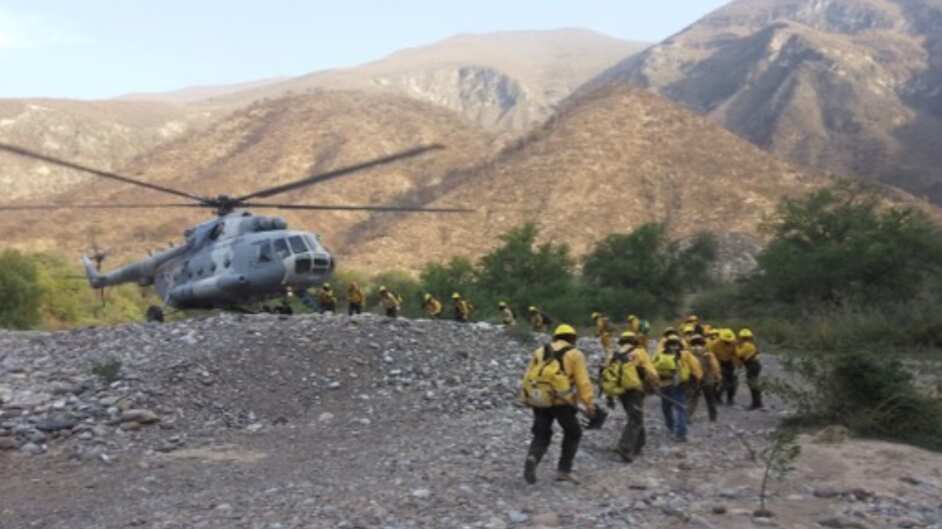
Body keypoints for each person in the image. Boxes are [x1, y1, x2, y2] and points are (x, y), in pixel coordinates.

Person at [520, 324, 596, 483]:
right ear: (573, 338)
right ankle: (564, 470)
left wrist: (525, 398)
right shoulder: (575, 354)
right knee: (573, 432)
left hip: (540, 399)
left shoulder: (540, 351)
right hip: (562, 400)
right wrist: (588, 403)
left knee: (541, 433)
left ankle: (533, 457)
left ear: (555, 336)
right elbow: (583, 381)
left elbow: (528, 376)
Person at [601, 331, 658, 462]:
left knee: (635, 416)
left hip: (620, 391)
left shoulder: (614, 354)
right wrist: (654, 385)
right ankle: (625, 447)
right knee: (635, 418)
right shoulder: (640, 352)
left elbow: (608, 374)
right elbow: (651, 372)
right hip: (635, 390)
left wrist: (609, 395)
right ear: (634, 341)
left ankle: (639, 445)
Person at [653, 336, 702, 442]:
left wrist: (653, 384)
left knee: (666, 408)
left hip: (664, 385)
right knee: (680, 408)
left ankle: (671, 427)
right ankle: (681, 433)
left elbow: (652, 370)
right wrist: (697, 382)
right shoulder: (686, 354)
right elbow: (696, 368)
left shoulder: (659, 355)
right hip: (679, 384)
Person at [687, 334, 721, 422]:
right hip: (707, 379)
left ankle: (687, 416)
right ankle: (713, 417)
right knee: (710, 399)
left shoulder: (688, 353)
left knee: (692, 399)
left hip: (693, 379)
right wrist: (717, 377)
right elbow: (715, 366)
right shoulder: (708, 353)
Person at [710, 329, 740, 405]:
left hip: (729, 363)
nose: (728, 342)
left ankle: (730, 399)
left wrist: (738, 365)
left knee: (731, 382)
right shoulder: (714, 344)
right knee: (720, 381)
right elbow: (711, 356)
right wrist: (714, 367)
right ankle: (716, 397)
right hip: (718, 362)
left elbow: (736, 354)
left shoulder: (734, 343)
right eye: (726, 341)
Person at [737, 329, 764, 410]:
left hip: (752, 365)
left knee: (752, 384)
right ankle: (758, 403)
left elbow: (739, 354)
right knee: (754, 383)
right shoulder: (752, 344)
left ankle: (756, 404)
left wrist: (736, 347)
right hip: (755, 365)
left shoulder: (746, 345)